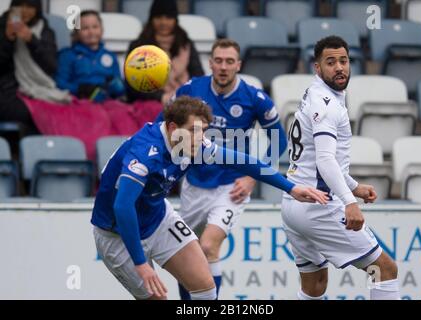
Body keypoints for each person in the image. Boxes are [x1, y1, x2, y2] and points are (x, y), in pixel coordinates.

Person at [91, 95, 328, 300]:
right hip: (118, 234)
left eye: (203, 130)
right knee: (158, 297)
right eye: (194, 130)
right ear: (173, 128)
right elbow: (123, 207)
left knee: (205, 287)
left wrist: (290, 188)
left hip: (157, 218)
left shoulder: (194, 144)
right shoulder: (145, 153)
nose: (200, 137)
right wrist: (141, 264)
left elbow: (244, 162)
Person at [156, 38, 288, 299]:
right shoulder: (191, 90)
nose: (223, 67)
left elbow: (279, 140)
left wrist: (252, 178)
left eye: (229, 61)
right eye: (218, 61)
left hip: (231, 187)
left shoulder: (254, 98)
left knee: (207, 247)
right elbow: (162, 129)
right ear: (210, 63)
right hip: (194, 184)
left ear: (238, 65)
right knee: (187, 253)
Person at [281, 36, 400, 300]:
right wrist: (349, 201)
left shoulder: (315, 95)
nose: (339, 68)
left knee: (315, 285)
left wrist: (354, 186)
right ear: (317, 67)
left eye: (343, 61)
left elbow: (315, 160)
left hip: (293, 203)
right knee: (385, 270)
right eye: (330, 62)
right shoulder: (326, 105)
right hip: (318, 206)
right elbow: (325, 161)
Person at [126, 0, 204, 105]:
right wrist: (161, 97)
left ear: (175, 20)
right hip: (149, 103)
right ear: (151, 19)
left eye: (168, 18)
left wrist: (182, 95)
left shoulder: (186, 43)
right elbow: (132, 85)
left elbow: (198, 76)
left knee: (196, 119)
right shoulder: (139, 47)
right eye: (158, 17)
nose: (163, 22)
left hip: (185, 101)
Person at [0, 0, 58, 134]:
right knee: (32, 111)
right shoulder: (2, 26)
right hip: (7, 91)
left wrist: (32, 41)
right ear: (12, 8)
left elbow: (51, 67)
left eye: (30, 6)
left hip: (37, 88)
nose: (24, 11)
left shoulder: (45, 31)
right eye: (20, 6)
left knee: (51, 109)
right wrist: (7, 39)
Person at [55, 10, 125, 103]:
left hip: (109, 103)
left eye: (95, 27)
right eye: (85, 28)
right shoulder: (67, 55)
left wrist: (117, 87)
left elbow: (118, 83)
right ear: (76, 33)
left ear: (102, 29)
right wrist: (81, 89)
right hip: (78, 102)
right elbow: (60, 84)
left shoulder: (110, 56)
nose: (91, 32)